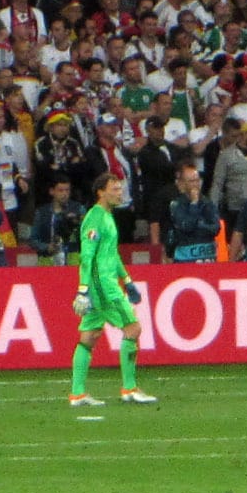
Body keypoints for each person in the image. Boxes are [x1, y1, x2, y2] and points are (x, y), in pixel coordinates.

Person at [70, 170, 156, 408]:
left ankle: (77, 394)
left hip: (105, 283)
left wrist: (127, 280)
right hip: (103, 287)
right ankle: (129, 388)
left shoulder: (107, 216)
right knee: (133, 328)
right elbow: (87, 255)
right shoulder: (95, 218)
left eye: (120, 188)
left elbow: (112, 253)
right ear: (101, 192)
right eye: (114, 189)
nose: (119, 193)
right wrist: (83, 289)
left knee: (90, 336)